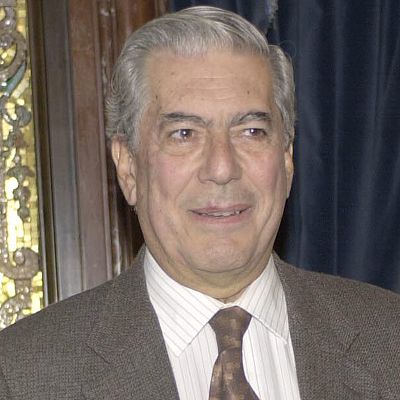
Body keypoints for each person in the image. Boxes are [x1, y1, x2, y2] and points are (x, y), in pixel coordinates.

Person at [0, 6, 399, 400]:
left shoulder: (389, 342)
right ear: (128, 168)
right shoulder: (21, 377)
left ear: (287, 159)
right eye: (184, 134)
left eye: (251, 131)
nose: (222, 168)